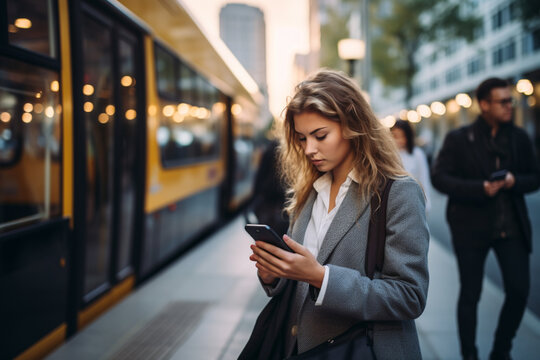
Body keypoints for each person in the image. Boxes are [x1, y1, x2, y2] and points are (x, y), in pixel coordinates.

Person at [248, 69, 430, 359]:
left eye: (320, 135)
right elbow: (299, 283)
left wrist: (322, 277)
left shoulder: (399, 192)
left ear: (353, 125)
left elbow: (409, 296)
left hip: (360, 350)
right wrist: (275, 276)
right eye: (302, 138)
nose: (309, 149)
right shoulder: (311, 189)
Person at [431, 77, 540, 360]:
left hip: (511, 226)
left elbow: (535, 176)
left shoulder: (519, 138)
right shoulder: (459, 138)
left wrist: (515, 181)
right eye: (503, 101)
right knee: (470, 294)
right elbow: (439, 178)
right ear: (484, 105)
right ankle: (469, 355)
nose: (509, 106)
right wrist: (479, 188)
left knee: (518, 291)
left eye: (510, 100)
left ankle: (500, 351)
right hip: (470, 227)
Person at [391, 120, 432, 211]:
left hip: (414, 199)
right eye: (395, 136)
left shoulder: (417, 154)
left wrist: (427, 202)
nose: (398, 140)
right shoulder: (389, 155)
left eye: (402, 136)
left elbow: (423, 177)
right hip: (395, 202)